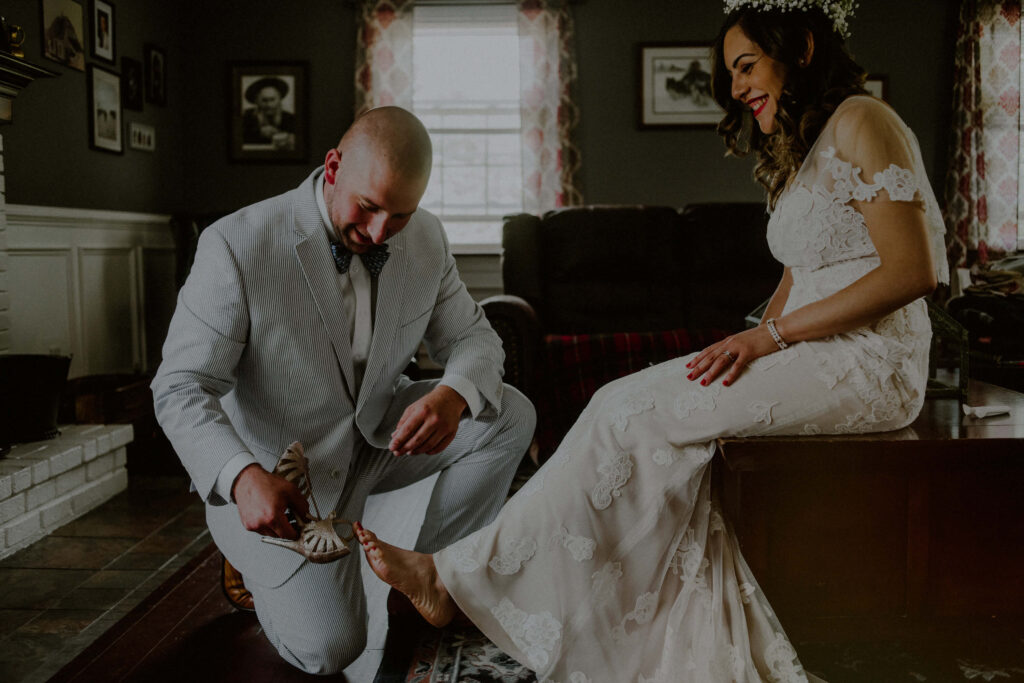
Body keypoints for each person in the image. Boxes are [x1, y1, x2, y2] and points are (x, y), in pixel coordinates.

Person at [353, 1, 949, 681]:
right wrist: (753, 336)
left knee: (625, 410)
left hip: (873, 365)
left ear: (804, 49)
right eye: (731, 74)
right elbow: (801, 274)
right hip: (812, 351)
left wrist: (772, 339)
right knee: (623, 407)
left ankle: (452, 579)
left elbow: (912, 270)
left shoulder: (867, 121)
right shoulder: (811, 145)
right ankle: (564, 602)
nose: (738, 87)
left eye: (747, 66)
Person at [151, 106, 535, 675]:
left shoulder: (425, 236)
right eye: (369, 207)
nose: (380, 232)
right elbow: (179, 386)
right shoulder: (235, 245)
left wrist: (453, 392)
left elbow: (475, 337)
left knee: (508, 414)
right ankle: (253, 563)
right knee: (331, 649)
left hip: (378, 436)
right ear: (332, 167)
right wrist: (240, 476)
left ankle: (426, 575)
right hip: (281, 484)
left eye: (399, 216)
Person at [242, 76, 297, 149]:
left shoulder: (290, 118)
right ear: (256, 101)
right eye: (264, 100)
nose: (269, 105)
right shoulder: (246, 117)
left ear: (279, 100)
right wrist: (259, 133)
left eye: (272, 100)